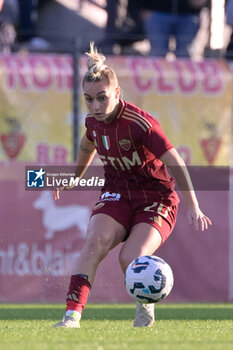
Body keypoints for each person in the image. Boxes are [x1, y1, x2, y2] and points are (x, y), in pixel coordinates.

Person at [53, 42, 212, 328]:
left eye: (102, 97)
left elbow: (176, 162)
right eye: (88, 99)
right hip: (117, 193)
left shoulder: (141, 124)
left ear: (117, 93)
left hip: (157, 198)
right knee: (94, 243)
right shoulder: (93, 123)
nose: (95, 106)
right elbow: (86, 147)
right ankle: (72, 316)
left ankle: (146, 305)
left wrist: (194, 206)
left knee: (131, 258)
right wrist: (72, 179)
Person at [139, 0, 210, 57]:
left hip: (189, 15)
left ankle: (184, 74)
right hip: (157, 13)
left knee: (185, 54)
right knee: (158, 53)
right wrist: (140, 8)